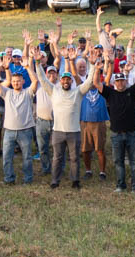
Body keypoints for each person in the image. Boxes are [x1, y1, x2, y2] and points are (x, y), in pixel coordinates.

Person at [38, 49, 95, 189]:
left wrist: (92, 65)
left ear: (71, 81)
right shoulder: (54, 91)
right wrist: (37, 63)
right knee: (57, 158)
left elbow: (89, 81)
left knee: (74, 158)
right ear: (60, 80)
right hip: (57, 131)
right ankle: (54, 181)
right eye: (63, 79)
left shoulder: (78, 92)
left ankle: (75, 180)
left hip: (74, 132)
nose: (65, 81)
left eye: (68, 79)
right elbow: (42, 79)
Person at [0, 41, 39, 184]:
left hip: (25, 130)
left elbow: (35, 81)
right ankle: (9, 179)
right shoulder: (7, 93)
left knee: (27, 157)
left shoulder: (28, 93)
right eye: (14, 81)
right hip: (8, 131)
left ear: (22, 82)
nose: (16, 83)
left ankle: (28, 179)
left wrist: (27, 67)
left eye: (18, 81)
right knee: (7, 157)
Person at [100, 52, 135, 194]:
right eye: (117, 81)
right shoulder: (110, 93)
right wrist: (97, 67)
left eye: (122, 80)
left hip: (133, 133)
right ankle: (120, 185)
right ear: (114, 82)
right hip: (116, 134)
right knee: (118, 162)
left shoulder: (132, 91)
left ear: (125, 81)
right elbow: (96, 83)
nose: (120, 83)